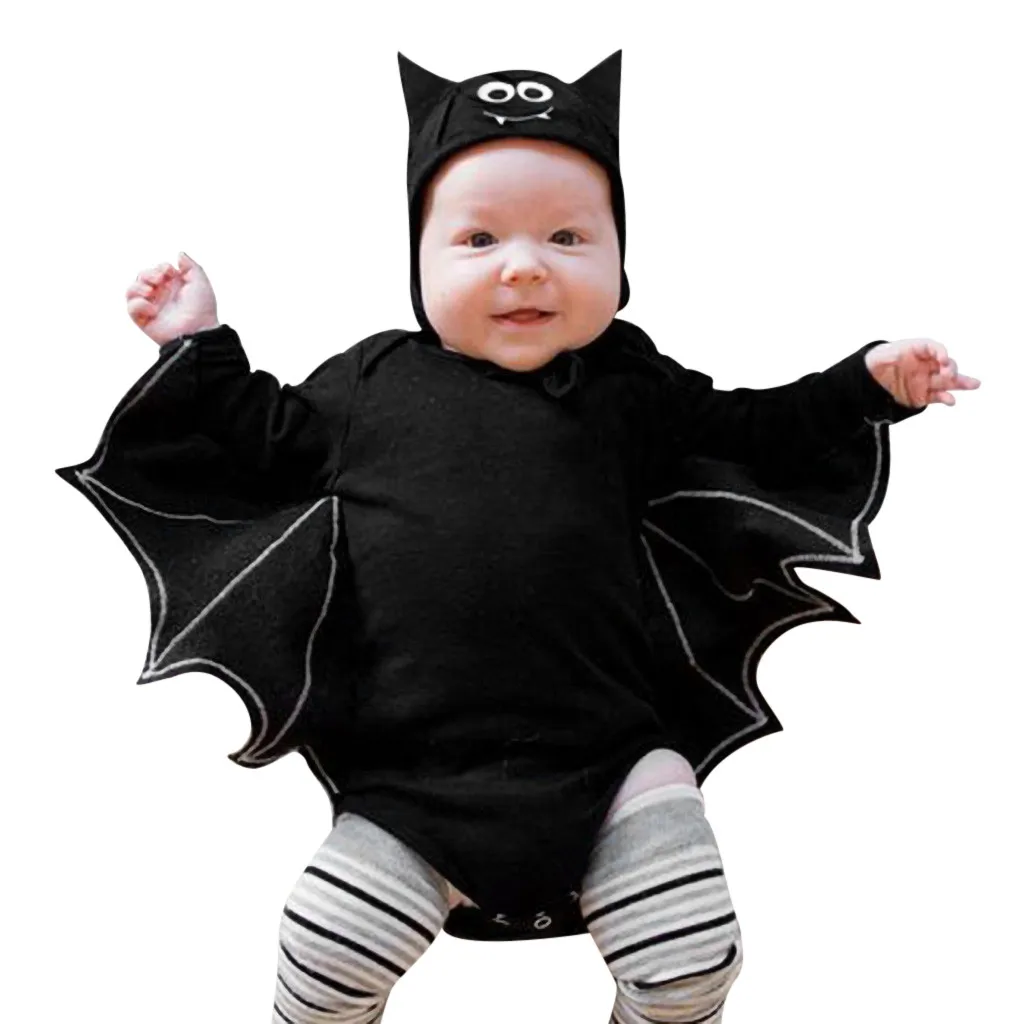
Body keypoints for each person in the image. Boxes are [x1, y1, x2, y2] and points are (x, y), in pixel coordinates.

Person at [62, 52, 980, 1023]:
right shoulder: (369, 385)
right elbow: (255, 437)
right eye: (477, 237)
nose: (525, 264)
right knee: (324, 960)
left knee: (688, 964)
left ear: (621, 261)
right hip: (410, 780)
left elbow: (756, 431)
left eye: (569, 235)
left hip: (617, 760)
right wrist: (199, 343)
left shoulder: (630, 386)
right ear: (417, 263)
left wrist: (863, 384)